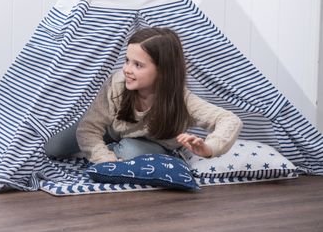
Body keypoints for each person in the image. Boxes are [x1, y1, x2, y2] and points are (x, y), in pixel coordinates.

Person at [75, 27, 243, 163]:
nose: (127, 69)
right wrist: (104, 158)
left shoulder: (182, 99)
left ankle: (109, 150)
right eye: (127, 61)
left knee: (130, 151)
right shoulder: (118, 83)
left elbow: (230, 120)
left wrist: (209, 148)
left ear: (163, 71)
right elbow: (89, 128)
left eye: (138, 65)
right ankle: (103, 148)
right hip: (113, 132)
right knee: (55, 145)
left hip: (152, 144)